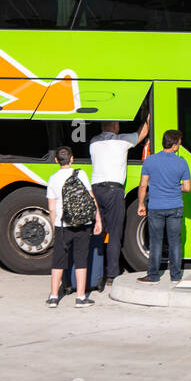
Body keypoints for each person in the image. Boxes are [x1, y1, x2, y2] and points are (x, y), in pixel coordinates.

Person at [89, 119, 149, 292]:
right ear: (115, 127)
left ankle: (95, 272)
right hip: (114, 191)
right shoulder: (121, 141)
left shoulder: (93, 142)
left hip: (96, 190)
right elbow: (142, 134)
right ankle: (112, 275)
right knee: (115, 233)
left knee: (97, 232)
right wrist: (147, 117)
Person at [46, 147, 101, 308]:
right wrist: (98, 220)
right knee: (81, 260)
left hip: (63, 225)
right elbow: (91, 198)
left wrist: (55, 225)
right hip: (83, 224)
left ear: (56, 160)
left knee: (58, 261)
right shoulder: (81, 174)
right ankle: (81, 298)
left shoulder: (53, 179)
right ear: (72, 159)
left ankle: (54, 297)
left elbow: (51, 208)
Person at [136, 130, 191, 284]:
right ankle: (175, 276)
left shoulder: (150, 160)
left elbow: (142, 185)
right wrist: (175, 187)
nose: (179, 146)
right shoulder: (182, 162)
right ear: (173, 145)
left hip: (155, 207)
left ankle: (153, 275)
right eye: (179, 143)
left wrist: (141, 204)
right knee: (175, 241)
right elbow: (187, 187)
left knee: (155, 241)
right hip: (175, 206)